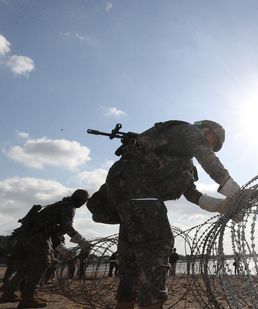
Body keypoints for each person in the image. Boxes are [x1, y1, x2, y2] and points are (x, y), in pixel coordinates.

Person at [90, 120, 247, 309]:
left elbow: (192, 195)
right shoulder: (188, 130)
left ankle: (126, 301)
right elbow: (211, 164)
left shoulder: (183, 164)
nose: (211, 147)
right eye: (212, 141)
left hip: (129, 193)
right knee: (159, 245)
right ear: (206, 129)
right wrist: (239, 195)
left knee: (131, 259)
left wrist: (222, 206)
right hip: (136, 185)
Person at [0, 189, 91, 308]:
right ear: (81, 200)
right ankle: (28, 297)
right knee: (43, 263)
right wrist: (82, 242)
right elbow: (67, 227)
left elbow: (54, 233)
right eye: (84, 201)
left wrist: (65, 251)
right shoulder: (68, 207)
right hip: (37, 236)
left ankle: (9, 292)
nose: (83, 204)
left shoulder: (58, 205)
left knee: (26, 267)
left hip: (24, 236)